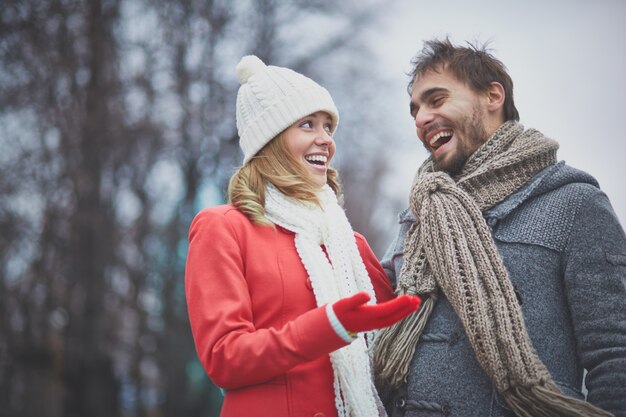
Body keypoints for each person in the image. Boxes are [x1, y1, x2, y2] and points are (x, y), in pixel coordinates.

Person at [373, 38, 626, 417]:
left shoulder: (574, 203)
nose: (421, 119)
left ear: (493, 96)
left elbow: (615, 356)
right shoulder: (420, 212)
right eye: (415, 110)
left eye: (437, 100)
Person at [185, 55, 421, 417]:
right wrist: (328, 326)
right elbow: (224, 357)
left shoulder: (347, 243)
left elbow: (394, 336)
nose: (325, 140)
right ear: (272, 139)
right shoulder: (224, 227)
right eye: (308, 125)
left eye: (329, 127)